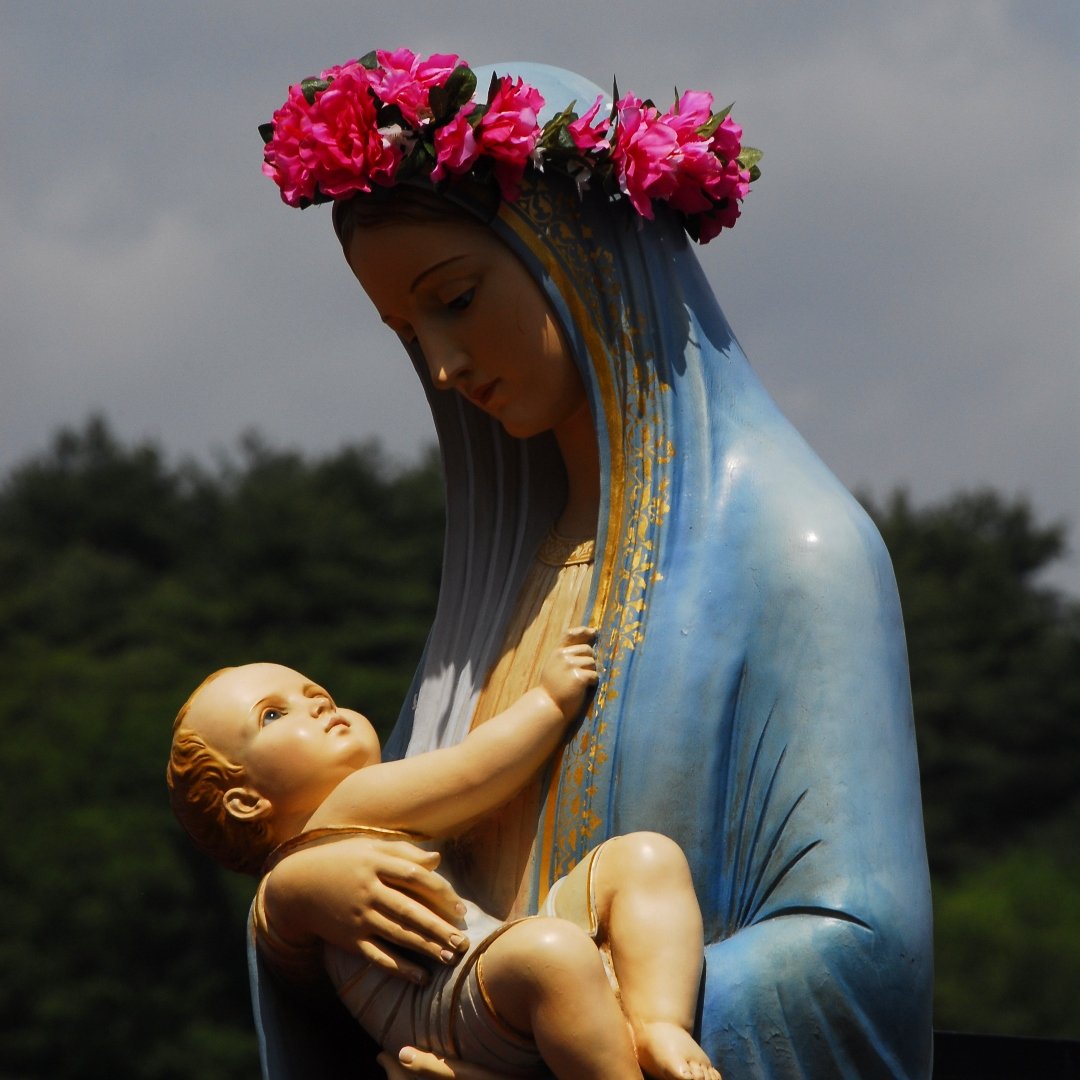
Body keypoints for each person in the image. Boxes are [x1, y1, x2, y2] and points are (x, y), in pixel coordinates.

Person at [251, 53, 934, 1078]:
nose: (442, 364)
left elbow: (863, 954)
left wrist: (561, 1031)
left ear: (581, 253)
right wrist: (288, 916)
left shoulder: (795, 551)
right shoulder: (508, 577)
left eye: (458, 297)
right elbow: (415, 877)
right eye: (407, 332)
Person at [167, 644, 720, 1080]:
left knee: (642, 858)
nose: (316, 704)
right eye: (273, 715)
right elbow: (474, 772)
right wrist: (549, 702)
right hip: (451, 1006)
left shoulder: (320, 858)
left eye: (316, 693)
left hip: (484, 973)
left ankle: (658, 1025)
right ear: (245, 801)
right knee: (555, 950)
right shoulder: (347, 806)